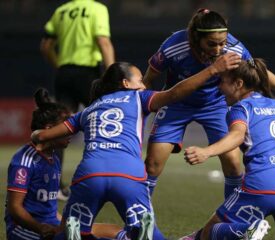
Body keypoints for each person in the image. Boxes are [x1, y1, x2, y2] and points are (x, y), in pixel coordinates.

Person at [31, 54, 241, 240]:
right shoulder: (138, 97)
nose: (143, 85)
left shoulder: (90, 109)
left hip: (89, 176)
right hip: (128, 177)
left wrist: (37, 134)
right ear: (126, 83)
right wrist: (212, 70)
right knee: (148, 234)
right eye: (140, 80)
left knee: (67, 233)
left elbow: (48, 134)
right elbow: (175, 93)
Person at [143, 8, 275, 200]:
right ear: (195, 38)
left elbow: (257, 72)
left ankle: (232, 220)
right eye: (212, 44)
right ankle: (139, 220)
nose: (219, 49)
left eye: (222, 43)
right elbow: (148, 78)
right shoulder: (173, 47)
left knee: (233, 163)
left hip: (215, 104)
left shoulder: (234, 48)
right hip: (175, 102)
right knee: (153, 164)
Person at [182, 58, 275, 240]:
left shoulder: (241, 108)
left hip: (263, 184)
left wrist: (206, 152)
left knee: (210, 232)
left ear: (238, 83)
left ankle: (245, 232)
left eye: (222, 82)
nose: (219, 87)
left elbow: (237, 135)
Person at [4, 88, 124, 240]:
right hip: (25, 231)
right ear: (49, 130)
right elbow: (15, 209)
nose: (71, 132)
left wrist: (62, 223)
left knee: (113, 230)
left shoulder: (54, 158)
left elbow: (49, 208)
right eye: (65, 127)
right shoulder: (24, 160)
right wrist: (40, 227)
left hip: (51, 225)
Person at [40, 0, 115, 200]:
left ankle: (53, 185)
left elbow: (46, 46)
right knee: (104, 123)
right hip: (88, 75)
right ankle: (107, 182)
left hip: (64, 74)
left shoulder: (61, 10)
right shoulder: (96, 9)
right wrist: (113, 75)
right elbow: (104, 42)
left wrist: (59, 66)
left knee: (60, 127)